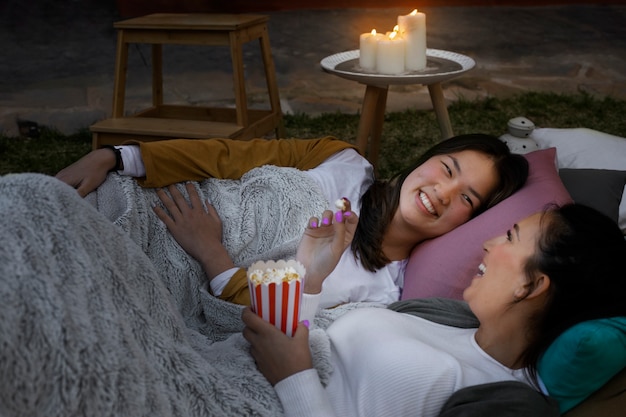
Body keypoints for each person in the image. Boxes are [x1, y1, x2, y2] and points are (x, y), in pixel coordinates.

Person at [242, 203, 626, 417]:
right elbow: (298, 345)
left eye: (509, 237)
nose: (490, 243)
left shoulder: (512, 406)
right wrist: (310, 279)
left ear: (531, 284)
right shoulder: (446, 315)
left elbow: (293, 365)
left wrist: (294, 379)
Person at [56, 134, 528, 308]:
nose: (441, 193)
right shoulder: (344, 162)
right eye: (447, 170)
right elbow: (229, 156)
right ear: (430, 159)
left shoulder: (380, 290)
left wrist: (212, 254)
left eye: (466, 197)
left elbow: (288, 326)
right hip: (153, 207)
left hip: (176, 278)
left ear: (473, 221)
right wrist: (117, 157)